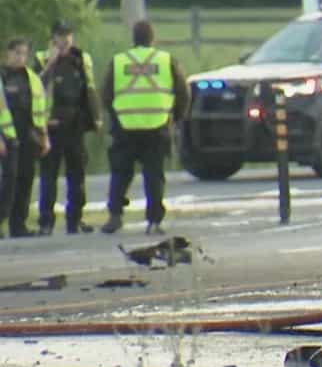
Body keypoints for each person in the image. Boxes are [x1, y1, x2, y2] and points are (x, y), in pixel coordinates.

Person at [99, 20, 190, 235]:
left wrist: (116, 115)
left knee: (120, 172)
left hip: (125, 127)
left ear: (134, 38)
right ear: (152, 38)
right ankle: (154, 221)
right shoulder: (166, 60)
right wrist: (175, 118)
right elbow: (183, 93)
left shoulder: (119, 61)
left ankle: (115, 216)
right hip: (157, 126)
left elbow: (105, 94)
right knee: (154, 175)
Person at [33, 19, 101, 235]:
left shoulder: (81, 58)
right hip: (51, 126)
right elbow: (35, 88)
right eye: (60, 36)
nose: (64, 40)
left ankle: (75, 220)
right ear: (52, 38)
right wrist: (50, 64)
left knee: (77, 174)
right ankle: (46, 222)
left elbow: (89, 89)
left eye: (68, 35)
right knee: (49, 176)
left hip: (74, 125)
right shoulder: (41, 58)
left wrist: (95, 118)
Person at [0, 38, 50, 238]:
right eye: (16, 52)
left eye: (23, 53)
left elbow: (40, 111)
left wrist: (44, 137)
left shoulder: (32, 79)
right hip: (6, 136)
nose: (20, 57)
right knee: (8, 180)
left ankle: (18, 225)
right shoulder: (2, 76)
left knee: (25, 179)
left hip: (28, 137)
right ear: (8, 53)